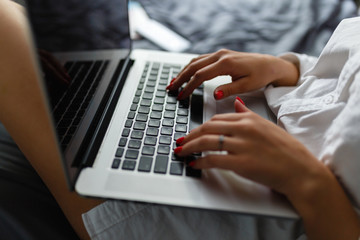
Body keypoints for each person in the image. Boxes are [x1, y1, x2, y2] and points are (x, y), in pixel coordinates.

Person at [0, 0, 359, 239]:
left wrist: (308, 181)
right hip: (257, 109)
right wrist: (288, 68)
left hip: (265, 210)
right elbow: (341, 74)